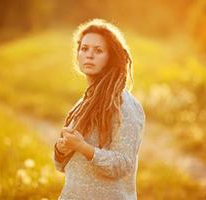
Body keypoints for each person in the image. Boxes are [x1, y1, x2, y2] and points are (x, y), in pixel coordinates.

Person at [53, 18, 145, 200]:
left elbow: (123, 165)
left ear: (111, 57)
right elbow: (62, 166)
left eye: (98, 51)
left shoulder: (125, 105)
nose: (89, 55)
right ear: (77, 54)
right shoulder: (83, 104)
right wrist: (61, 149)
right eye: (84, 49)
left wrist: (83, 147)